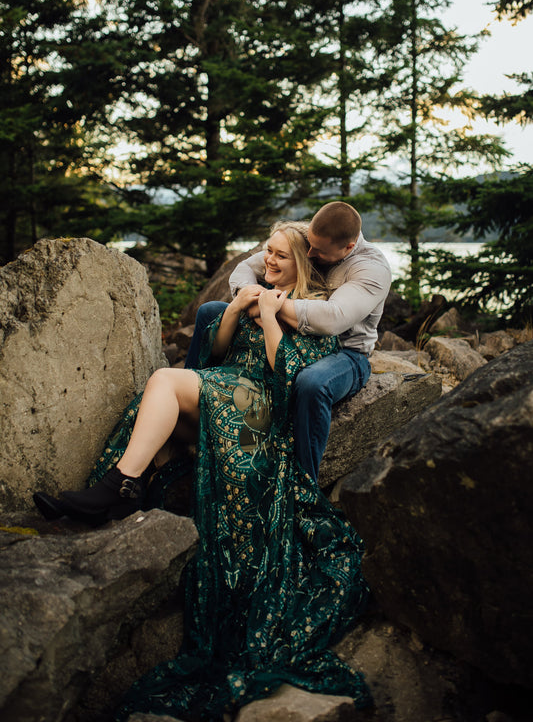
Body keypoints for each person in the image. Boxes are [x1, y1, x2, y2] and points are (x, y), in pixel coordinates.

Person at [33, 221, 372, 721]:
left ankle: (118, 487)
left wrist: (276, 317)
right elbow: (215, 352)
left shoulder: (313, 312)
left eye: (278, 256)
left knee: (168, 381)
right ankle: (122, 484)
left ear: (300, 262)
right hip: (228, 387)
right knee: (166, 390)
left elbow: (289, 381)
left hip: (259, 410)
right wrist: (237, 309)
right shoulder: (258, 289)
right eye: (267, 252)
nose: (267, 261)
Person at [185, 201, 392, 482]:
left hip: (345, 353)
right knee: (210, 311)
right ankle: (190, 396)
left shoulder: (371, 269)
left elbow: (332, 319)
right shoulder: (312, 237)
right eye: (309, 245)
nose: (309, 253)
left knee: (312, 382)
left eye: (318, 252)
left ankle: (304, 483)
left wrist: (271, 306)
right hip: (294, 332)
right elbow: (246, 267)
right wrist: (251, 294)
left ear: (348, 247)